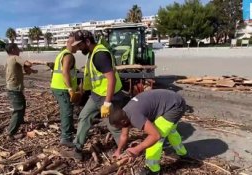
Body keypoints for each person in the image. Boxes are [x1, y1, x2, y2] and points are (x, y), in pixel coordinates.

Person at [63, 30, 126, 160]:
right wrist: (81, 92)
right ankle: (77, 149)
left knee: (113, 125)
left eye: (80, 45)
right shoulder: (92, 54)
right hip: (96, 95)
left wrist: (107, 103)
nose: (79, 49)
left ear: (87, 42)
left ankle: (124, 151)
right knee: (84, 117)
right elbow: (89, 76)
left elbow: (111, 79)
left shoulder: (100, 55)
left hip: (109, 96)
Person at [109, 89, 188, 175]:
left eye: (118, 126)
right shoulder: (124, 113)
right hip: (172, 100)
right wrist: (118, 150)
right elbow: (124, 135)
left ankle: (152, 169)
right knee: (170, 130)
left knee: (157, 138)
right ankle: (182, 153)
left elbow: (155, 136)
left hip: (175, 106)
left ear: (123, 122)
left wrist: (136, 149)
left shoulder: (135, 117)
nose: (119, 128)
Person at [50, 33, 81, 147]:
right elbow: (65, 72)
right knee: (67, 111)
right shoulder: (68, 56)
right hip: (62, 88)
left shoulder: (62, 54)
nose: (78, 48)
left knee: (67, 109)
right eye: (77, 46)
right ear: (72, 45)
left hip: (57, 86)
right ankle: (66, 137)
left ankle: (70, 129)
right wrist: (70, 89)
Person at [5, 43, 37, 139]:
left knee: (22, 104)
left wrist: (30, 71)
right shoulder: (15, 57)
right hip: (14, 88)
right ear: (13, 49)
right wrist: (36, 62)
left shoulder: (8, 59)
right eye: (18, 48)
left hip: (11, 87)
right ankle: (11, 133)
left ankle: (20, 121)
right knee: (18, 109)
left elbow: (15, 73)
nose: (19, 50)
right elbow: (28, 63)